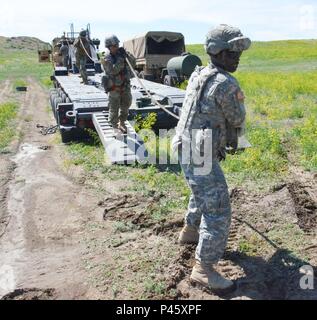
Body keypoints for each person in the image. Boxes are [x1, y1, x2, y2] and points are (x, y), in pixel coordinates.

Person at [172, 24, 251, 292]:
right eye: (232, 51)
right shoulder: (226, 83)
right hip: (200, 149)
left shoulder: (199, 74)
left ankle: (190, 231)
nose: (237, 56)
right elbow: (237, 119)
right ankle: (203, 268)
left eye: (239, 51)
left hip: (186, 145)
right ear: (217, 52)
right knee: (218, 209)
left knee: (201, 191)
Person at [100, 34, 135, 133]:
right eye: (114, 46)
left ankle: (122, 122)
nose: (117, 47)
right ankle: (114, 126)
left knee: (126, 104)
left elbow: (133, 64)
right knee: (114, 108)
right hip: (114, 88)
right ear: (109, 47)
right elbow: (113, 71)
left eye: (117, 45)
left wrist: (127, 55)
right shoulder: (106, 58)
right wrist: (121, 59)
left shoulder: (122, 54)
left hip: (125, 86)